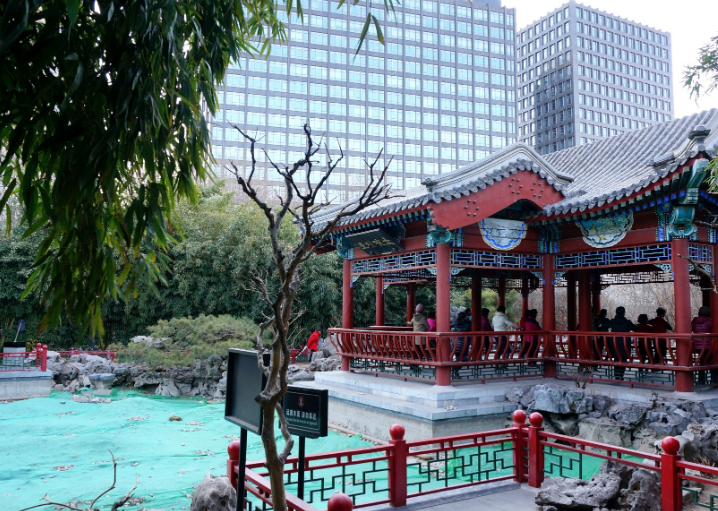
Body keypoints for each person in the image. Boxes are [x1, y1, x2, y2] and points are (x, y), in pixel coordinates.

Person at [608, 307, 637, 380]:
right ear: (624, 313)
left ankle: (616, 376)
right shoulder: (627, 322)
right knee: (623, 360)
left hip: (614, 344)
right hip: (625, 345)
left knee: (616, 359)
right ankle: (621, 376)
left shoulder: (613, 321)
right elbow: (636, 328)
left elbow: (605, 325)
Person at [451, 311, 472, 378]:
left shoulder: (455, 323)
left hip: (455, 343)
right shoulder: (467, 324)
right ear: (465, 317)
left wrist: (453, 331)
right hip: (463, 344)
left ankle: (454, 371)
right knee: (463, 359)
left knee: (458, 358)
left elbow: (449, 325)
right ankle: (455, 371)